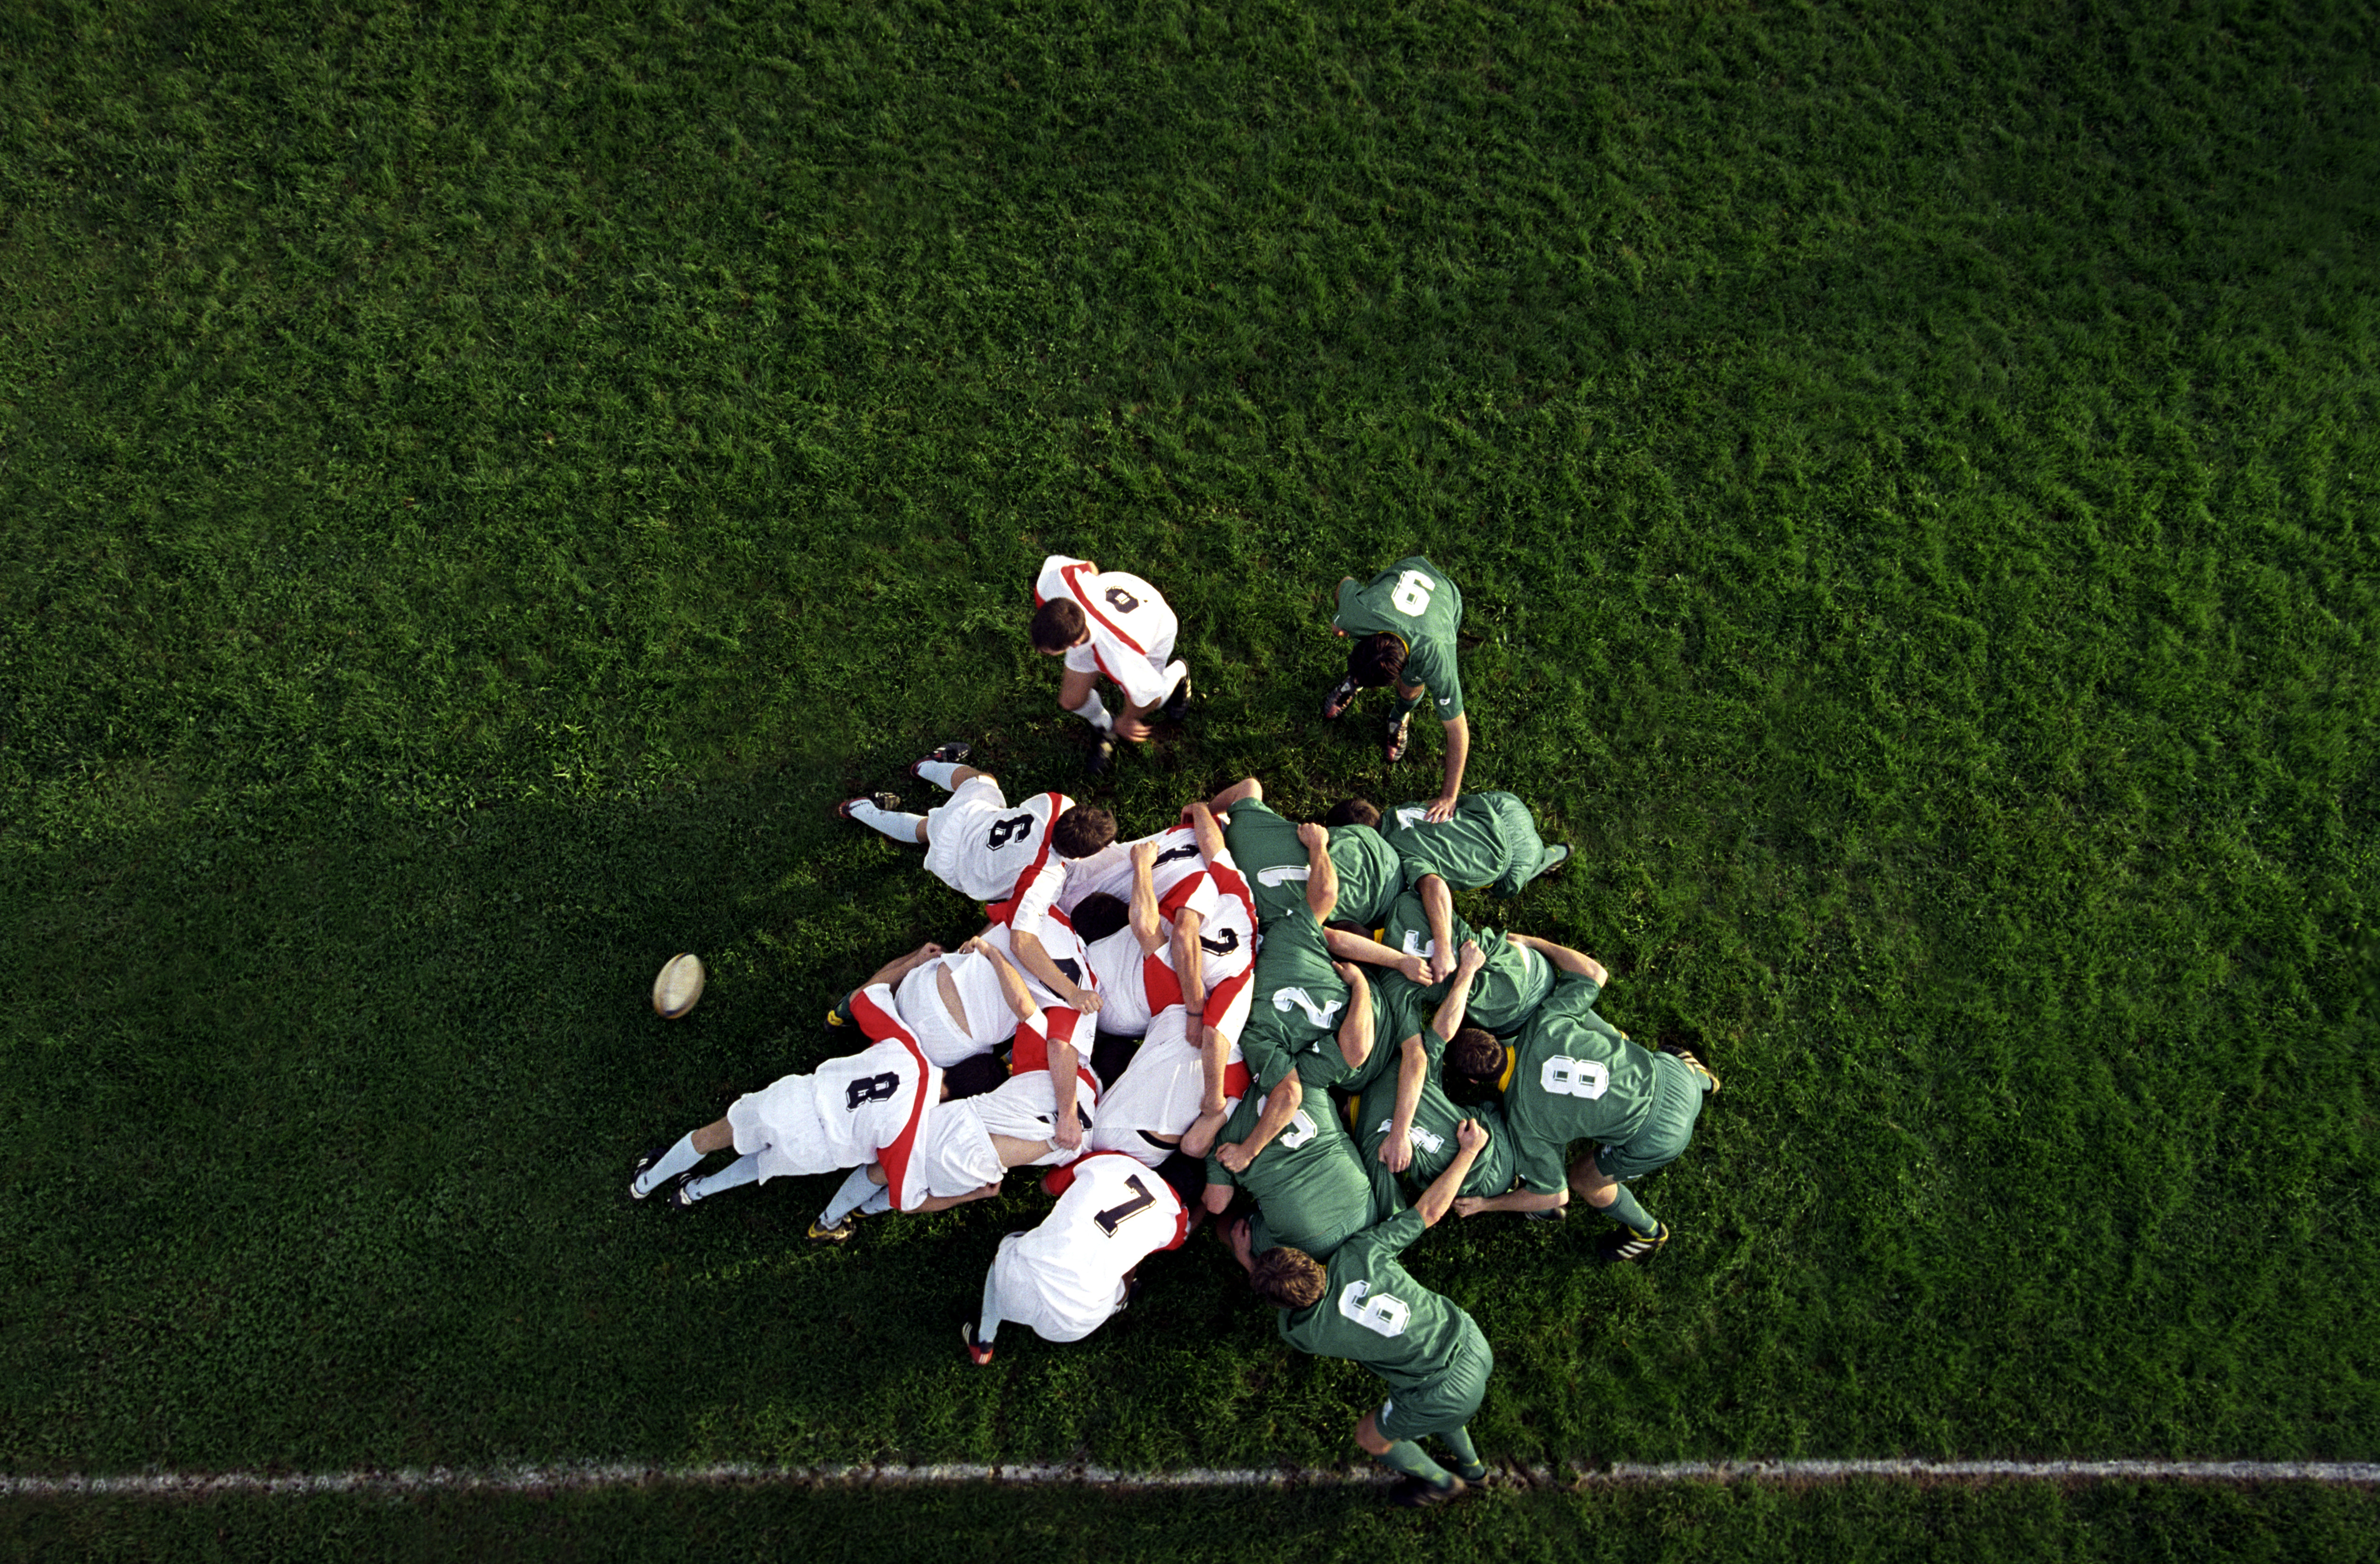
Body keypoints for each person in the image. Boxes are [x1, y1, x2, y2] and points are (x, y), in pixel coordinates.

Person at [1229, 1119, 1496, 1506]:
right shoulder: (1361, 1251)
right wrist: (1469, 1151)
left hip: (1436, 1390)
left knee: (1370, 1436)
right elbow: (1431, 1210)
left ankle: (1441, 1483)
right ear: (1309, 1259)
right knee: (1440, 1407)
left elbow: (1288, 1306)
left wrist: (1246, 1261)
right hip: (1470, 1340)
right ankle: (1473, 1470)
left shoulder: (1301, 1330)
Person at [1445, 958, 1719, 1261]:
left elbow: (1555, 1195)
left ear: (1472, 1081)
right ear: (1494, 1037)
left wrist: (1486, 1204)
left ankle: (1648, 1232)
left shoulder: (1523, 1122)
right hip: (1677, 1078)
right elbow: (1594, 973)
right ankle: (1704, 1080)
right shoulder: (1545, 1020)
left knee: (1583, 1180)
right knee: (1591, 1024)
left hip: (1662, 1137)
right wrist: (1534, 942)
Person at [961, 1151, 1204, 1364]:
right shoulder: (1173, 1221)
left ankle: (985, 1338)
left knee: (1012, 1245)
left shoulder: (1114, 1162)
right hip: (1071, 1324)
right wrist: (1206, 1206)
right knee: (1123, 1279)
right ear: (1183, 1202)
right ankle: (1121, 1302)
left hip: (1018, 1285)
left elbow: (1049, 1185)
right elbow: (1186, 1232)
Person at [1320, 557, 1468, 815]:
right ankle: (1354, 682)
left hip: (1445, 597)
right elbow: (1344, 584)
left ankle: (1400, 715)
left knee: (1410, 687)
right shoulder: (1359, 613)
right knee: (1363, 661)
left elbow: (1458, 731)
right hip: (1407, 570)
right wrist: (1342, 618)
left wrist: (1449, 796)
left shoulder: (1435, 657)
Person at [1201, 1076, 1400, 1261]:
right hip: (1361, 1211)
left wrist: (1211, 1152)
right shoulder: (1303, 1074)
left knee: (1229, 1227)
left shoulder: (1218, 1130)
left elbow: (1217, 1202)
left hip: (1317, 1235)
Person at [1030, 554, 1191, 774]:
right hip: (1119, 591)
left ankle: (1179, 672)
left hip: (1155, 627)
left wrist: (1127, 719)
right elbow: (1089, 567)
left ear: (1075, 643)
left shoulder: (1121, 654)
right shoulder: (1055, 583)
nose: (1040, 652)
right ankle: (1104, 727)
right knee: (1070, 700)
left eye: (1049, 651)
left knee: (1154, 692)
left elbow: (1149, 696)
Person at [1328, 792, 1568, 898]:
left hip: (1514, 860)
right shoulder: (1402, 810)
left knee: (1504, 885)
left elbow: (1429, 882)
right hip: (1502, 808)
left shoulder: (1396, 854)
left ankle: (1552, 855)